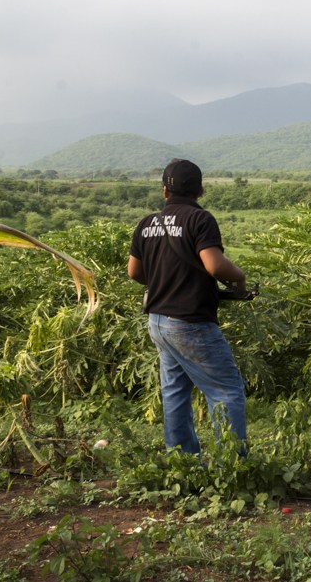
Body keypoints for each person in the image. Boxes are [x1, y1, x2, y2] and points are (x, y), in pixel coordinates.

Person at [128, 158, 250, 455]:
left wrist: (164, 281)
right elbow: (214, 264)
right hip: (191, 322)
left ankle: (182, 462)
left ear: (164, 192)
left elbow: (134, 272)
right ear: (200, 190)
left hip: (158, 320)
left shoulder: (147, 223)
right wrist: (240, 278)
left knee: (174, 391)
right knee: (225, 391)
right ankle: (231, 466)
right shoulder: (200, 220)